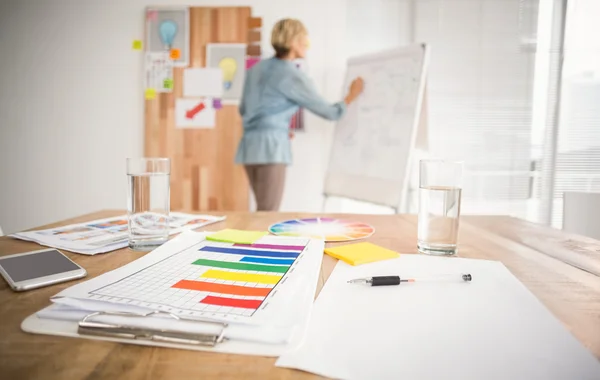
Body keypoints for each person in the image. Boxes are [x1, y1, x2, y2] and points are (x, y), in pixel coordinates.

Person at [235, 18, 364, 211]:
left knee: (262, 210)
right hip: (272, 149)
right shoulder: (292, 75)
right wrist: (350, 96)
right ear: (294, 41)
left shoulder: (255, 69)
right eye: (305, 39)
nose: (307, 45)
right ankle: (260, 242)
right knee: (267, 212)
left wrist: (277, 125)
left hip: (249, 147)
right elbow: (330, 112)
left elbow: (244, 109)